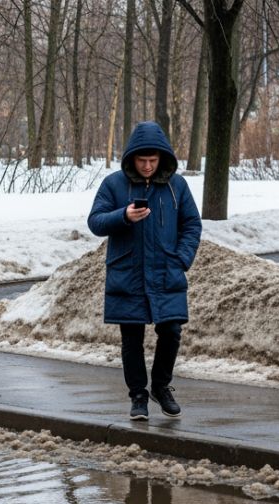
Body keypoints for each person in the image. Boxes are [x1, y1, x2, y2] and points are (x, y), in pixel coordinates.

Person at [88, 121, 202, 421]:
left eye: (153, 160)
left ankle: (161, 387)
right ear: (132, 158)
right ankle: (138, 395)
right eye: (142, 160)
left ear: (162, 157)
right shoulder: (113, 184)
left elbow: (192, 225)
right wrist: (123, 215)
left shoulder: (177, 186)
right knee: (132, 338)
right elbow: (95, 221)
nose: (148, 166)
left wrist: (181, 259)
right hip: (128, 274)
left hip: (167, 272)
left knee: (172, 331)